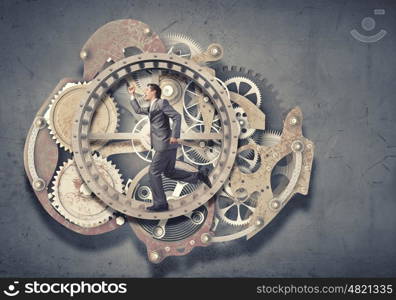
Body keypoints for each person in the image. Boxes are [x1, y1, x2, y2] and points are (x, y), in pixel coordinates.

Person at [128, 82, 212, 212]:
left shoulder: (161, 103)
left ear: (154, 92)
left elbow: (177, 116)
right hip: (167, 146)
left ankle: (161, 203)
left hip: (165, 144)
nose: (144, 92)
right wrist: (132, 95)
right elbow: (139, 110)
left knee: (153, 172)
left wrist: (175, 135)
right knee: (169, 172)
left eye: (147, 90)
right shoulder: (152, 106)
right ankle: (199, 176)